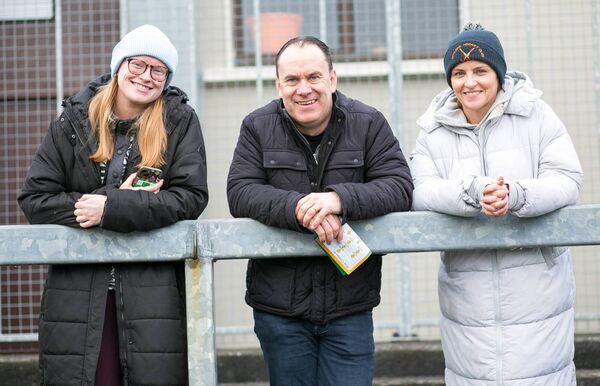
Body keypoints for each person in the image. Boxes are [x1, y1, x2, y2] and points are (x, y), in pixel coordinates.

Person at [18, 24, 208, 386]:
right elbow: (36, 198)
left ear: (166, 78)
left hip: (151, 291)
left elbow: (190, 197)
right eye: (137, 64)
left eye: (158, 70)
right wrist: (96, 207)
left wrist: (110, 207)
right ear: (119, 65)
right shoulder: (74, 120)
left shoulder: (179, 121)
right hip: (78, 291)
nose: (145, 76)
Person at [227, 36, 413, 386]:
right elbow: (240, 192)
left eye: (313, 77)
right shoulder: (257, 126)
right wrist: (298, 208)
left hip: (350, 306)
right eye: (293, 80)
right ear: (278, 85)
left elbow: (400, 186)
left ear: (332, 78)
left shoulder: (368, 123)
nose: (304, 89)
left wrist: (339, 199)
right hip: (279, 309)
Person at [410, 22, 583, 385]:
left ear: (499, 74)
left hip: (537, 288)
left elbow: (567, 180)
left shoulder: (537, 115)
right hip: (468, 293)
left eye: (480, 71)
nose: (469, 82)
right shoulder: (433, 131)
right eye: (458, 73)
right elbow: (420, 191)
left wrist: (516, 195)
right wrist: (472, 192)